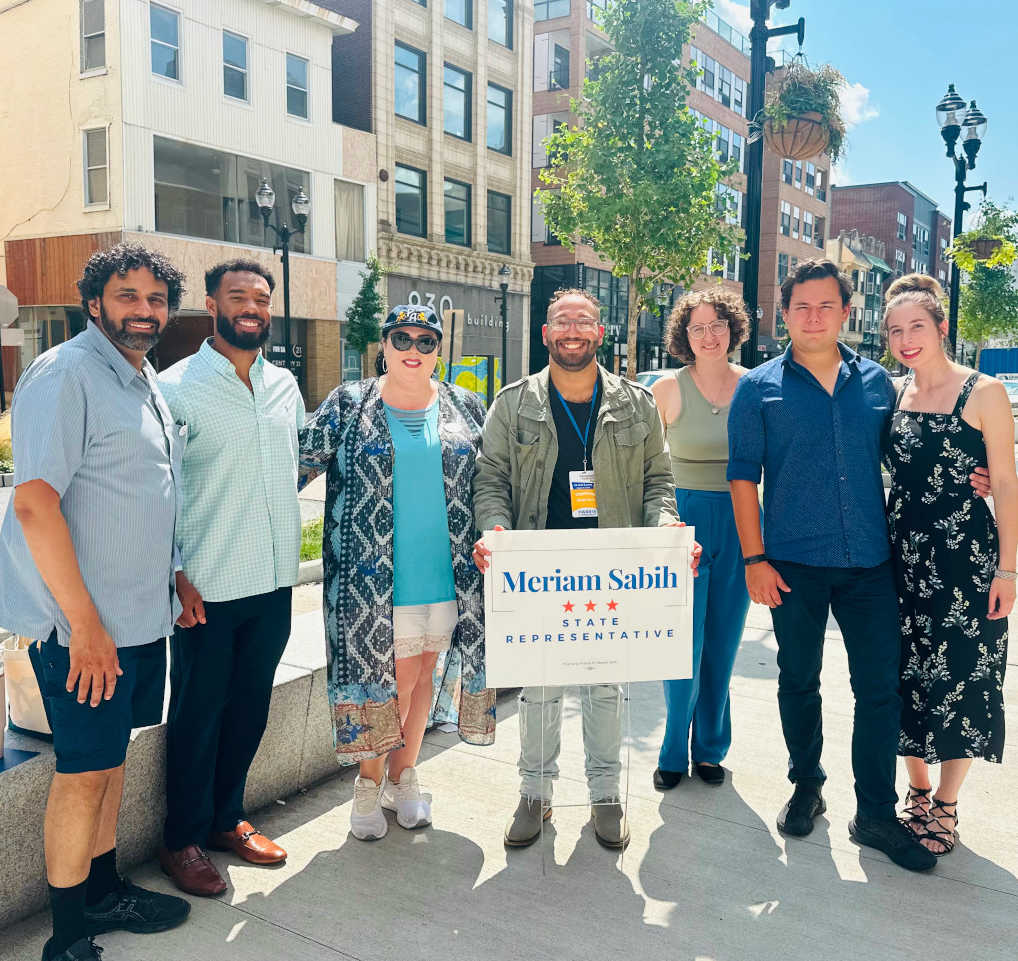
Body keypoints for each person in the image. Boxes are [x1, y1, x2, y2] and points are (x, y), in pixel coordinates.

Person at [0, 242, 191, 961]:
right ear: (94, 302)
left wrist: (175, 581)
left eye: (155, 299)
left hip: (139, 624)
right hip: (85, 634)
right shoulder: (67, 373)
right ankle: (65, 948)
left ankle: (104, 892)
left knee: (109, 765)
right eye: (127, 297)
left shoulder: (140, 380)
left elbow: (138, 493)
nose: (143, 311)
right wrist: (84, 624)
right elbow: (36, 504)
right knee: (81, 778)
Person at [727, 258, 948, 873]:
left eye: (827, 306)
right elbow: (742, 478)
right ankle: (807, 784)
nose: (814, 317)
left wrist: (973, 478)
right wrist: (754, 559)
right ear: (785, 312)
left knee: (879, 690)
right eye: (802, 306)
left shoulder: (879, 382)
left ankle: (875, 811)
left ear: (847, 314)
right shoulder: (758, 386)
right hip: (792, 564)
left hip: (870, 564)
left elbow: (918, 451)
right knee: (798, 681)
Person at [473, 288, 693, 852]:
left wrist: (666, 526)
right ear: (545, 334)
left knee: (605, 686)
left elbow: (658, 482)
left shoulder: (636, 404)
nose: (573, 331)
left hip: (609, 571)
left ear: (601, 333)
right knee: (539, 689)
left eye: (584, 322)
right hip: (538, 570)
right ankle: (535, 793)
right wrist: (495, 529)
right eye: (562, 322)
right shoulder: (513, 402)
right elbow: (491, 477)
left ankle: (605, 795)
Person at [298, 305, 495, 841]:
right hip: (373, 578)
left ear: (438, 349)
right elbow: (294, 464)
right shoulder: (348, 403)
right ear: (383, 344)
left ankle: (404, 779)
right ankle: (368, 783)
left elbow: (494, 480)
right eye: (401, 337)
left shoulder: (466, 406)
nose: (414, 348)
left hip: (449, 572)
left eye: (426, 340)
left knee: (424, 677)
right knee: (394, 681)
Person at [156, 260, 304, 895]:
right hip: (206, 589)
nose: (252, 307)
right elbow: (154, 491)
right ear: (212, 305)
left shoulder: (285, 385)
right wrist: (175, 573)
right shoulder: (174, 387)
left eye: (261, 298)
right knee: (197, 715)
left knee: (249, 710)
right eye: (238, 296)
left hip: (272, 581)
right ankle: (181, 839)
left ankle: (225, 821)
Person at [882, 274, 1016, 855]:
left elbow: (1006, 484)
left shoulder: (983, 393)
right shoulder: (891, 393)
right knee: (903, 675)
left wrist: (1009, 570)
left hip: (966, 558)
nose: (906, 339)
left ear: (941, 328)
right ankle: (915, 790)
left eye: (917, 326)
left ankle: (947, 803)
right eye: (894, 330)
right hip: (899, 555)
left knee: (964, 676)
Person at [651, 288, 751, 791]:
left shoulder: (754, 387)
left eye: (717, 325)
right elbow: (645, 465)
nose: (709, 335)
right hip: (680, 522)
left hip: (739, 521)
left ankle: (710, 749)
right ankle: (672, 751)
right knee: (679, 645)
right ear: (683, 336)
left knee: (722, 643)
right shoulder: (667, 390)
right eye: (697, 327)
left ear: (732, 329)